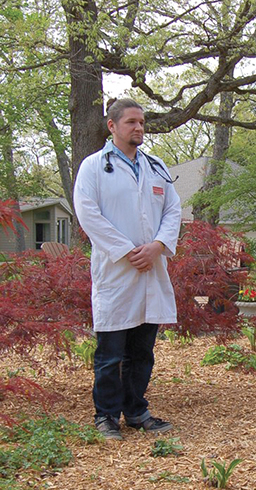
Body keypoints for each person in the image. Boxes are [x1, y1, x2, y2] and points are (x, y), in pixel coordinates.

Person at [74, 98, 182, 440]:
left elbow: (173, 211)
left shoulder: (157, 168)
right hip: (117, 273)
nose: (138, 128)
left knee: (142, 352)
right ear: (112, 126)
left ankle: (136, 411)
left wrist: (157, 247)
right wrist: (126, 251)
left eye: (142, 122)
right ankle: (105, 417)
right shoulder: (93, 167)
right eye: (131, 122)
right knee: (110, 354)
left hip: (151, 269)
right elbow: (88, 214)